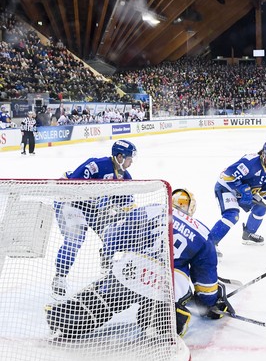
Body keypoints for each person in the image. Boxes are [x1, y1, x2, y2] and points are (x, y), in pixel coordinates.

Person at [45, 203, 175, 339]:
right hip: (158, 284)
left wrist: (108, 255)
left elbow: (114, 237)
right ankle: (155, 326)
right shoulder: (196, 229)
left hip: (127, 273)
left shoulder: (149, 209)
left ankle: (60, 316)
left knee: (101, 302)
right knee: (163, 311)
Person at [52, 140, 137, 297]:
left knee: (112, 233)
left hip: (92, 208)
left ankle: (106, 264)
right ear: (119, 157)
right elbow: (73, 184)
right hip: (70, 201)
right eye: (129, 158)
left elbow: (128, 204)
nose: (131, 162)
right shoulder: (96, 166)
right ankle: (60, 277)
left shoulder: (125, 177)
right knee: (75, 239)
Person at [171, 188, 235, 336]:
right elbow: (205, 279)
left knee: (109, 300)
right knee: (177, 312)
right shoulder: (201, 232)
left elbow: (116, 234)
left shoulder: (152, 209)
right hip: (164, 287)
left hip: (126, 272)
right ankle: (161, 320)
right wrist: (210, 303)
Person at [209, 139, 266, 249]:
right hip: (226, 188)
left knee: (260, 209)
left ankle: (248, 234)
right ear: (264, 152)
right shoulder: (250, 162)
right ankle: (210, 245)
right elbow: (227, 176)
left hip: (244, 192)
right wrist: (241, 188)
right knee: (232, 215)